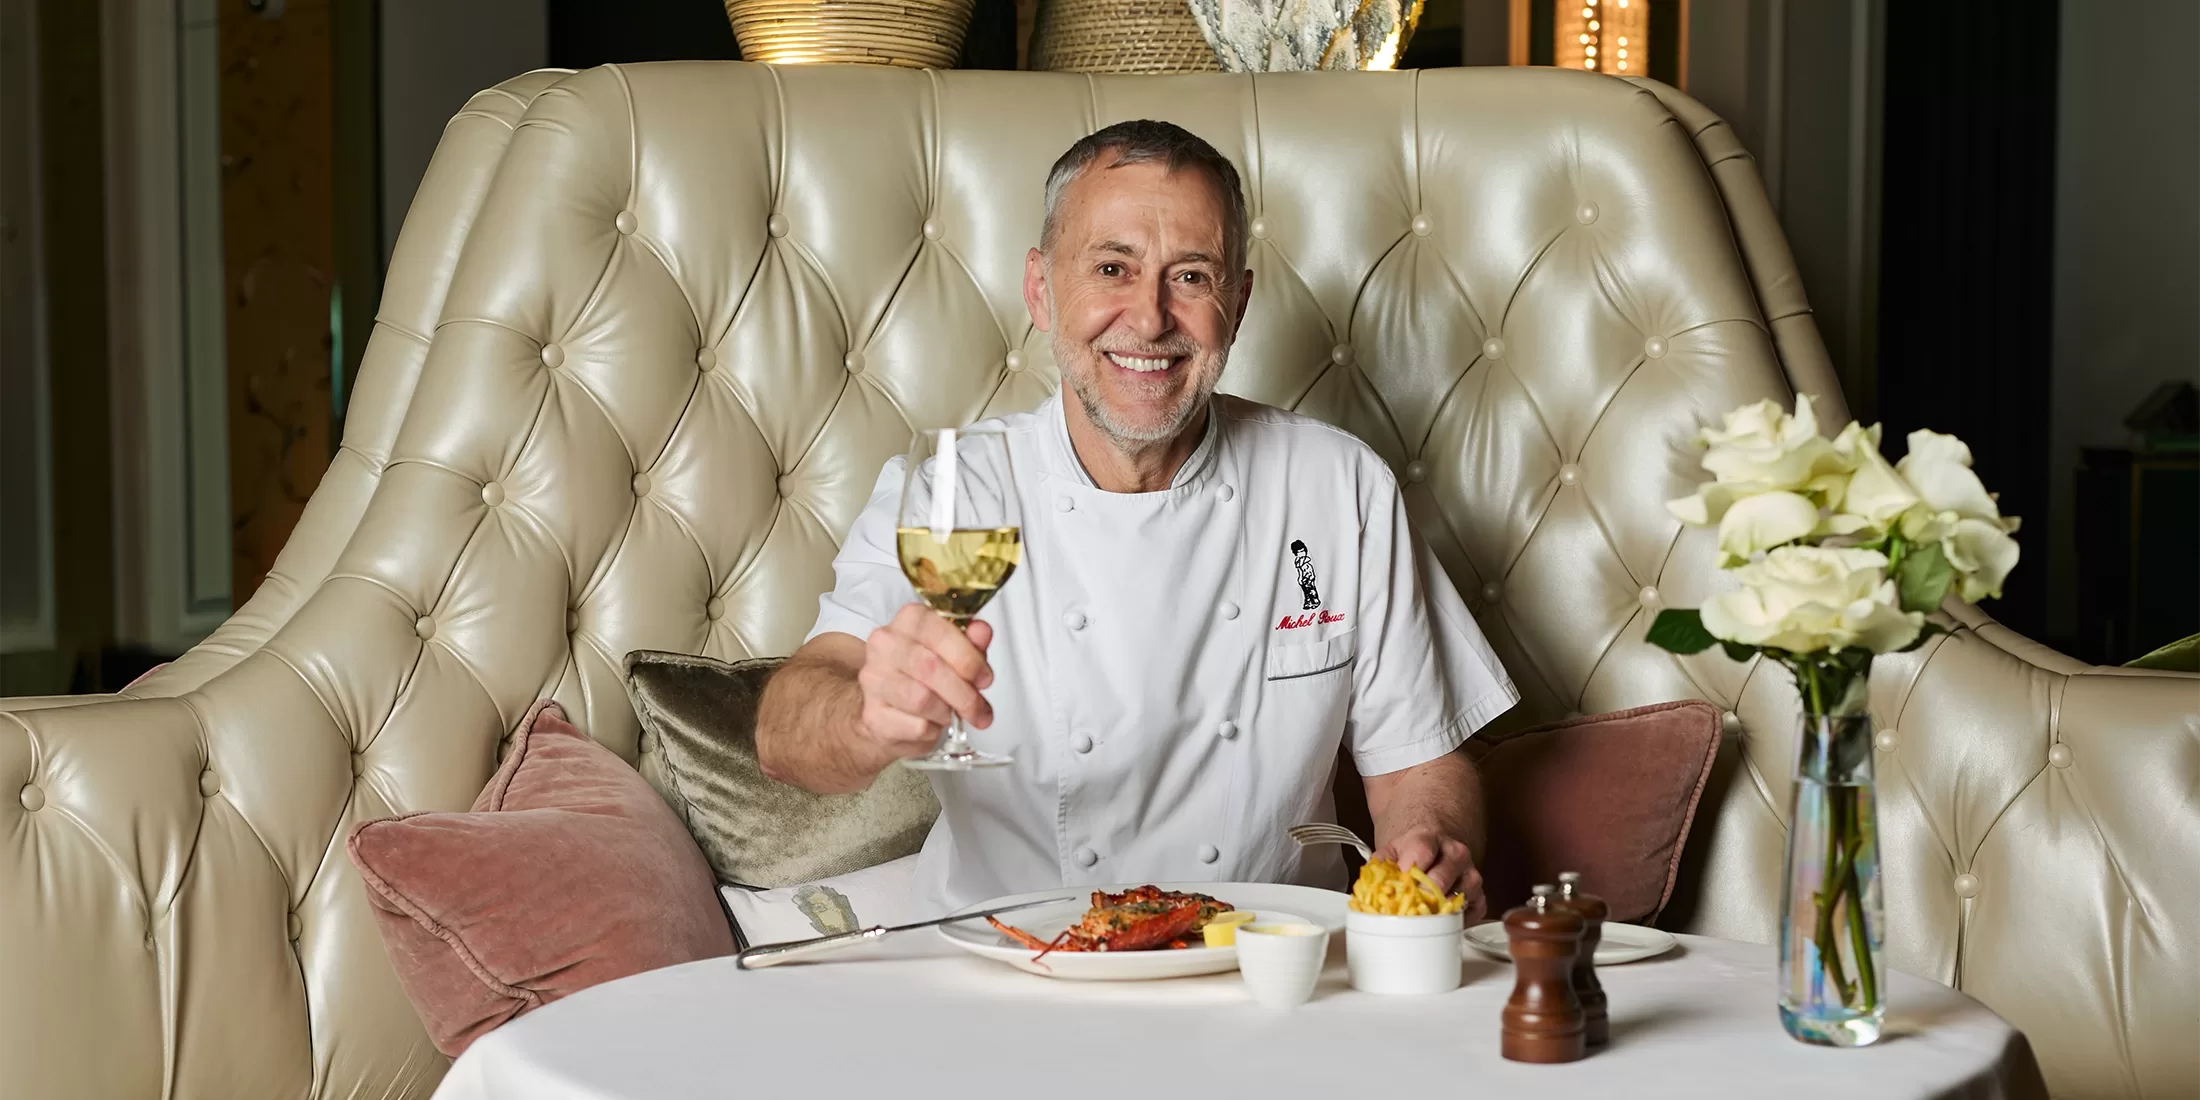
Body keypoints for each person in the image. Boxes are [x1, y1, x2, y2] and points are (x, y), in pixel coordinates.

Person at [755, 119, 1518, 915]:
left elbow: (1419, 762)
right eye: (1112, 268)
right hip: (1009, 960)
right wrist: (867, 718)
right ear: (1041, 290)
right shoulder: (953, 491)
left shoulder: (1339, 485)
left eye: (1190, 276)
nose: (1150, 319)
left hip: (1265, 959)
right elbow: (785, 732)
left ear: (1238, 304)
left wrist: (1430, 842)